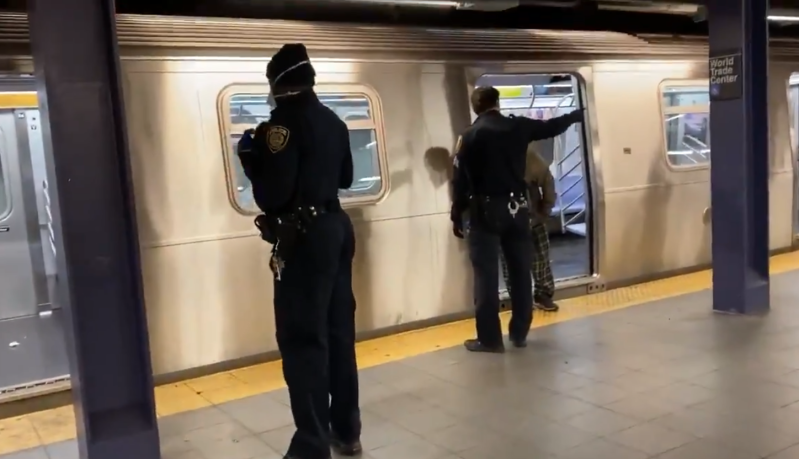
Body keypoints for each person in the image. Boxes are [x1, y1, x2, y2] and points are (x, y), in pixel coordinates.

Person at [237, 43, 361, 459]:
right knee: (339, 333)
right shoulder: (334, 122)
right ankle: (347, 431)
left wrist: (251, 161)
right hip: (337, 229)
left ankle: (310, 444)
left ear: (277, 82)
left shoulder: (280, 127)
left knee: (303, 339)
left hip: (303, 238)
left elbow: (275, 194)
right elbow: (345, 177)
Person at [451, 86, 583, 353]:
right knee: (521, 272)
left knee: (486, 278)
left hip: (484, 212)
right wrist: (574, 116)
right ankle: (519, 333)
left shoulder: (470, 136)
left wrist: (457, 215)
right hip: (518, 209)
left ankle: (489, 340)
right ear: (497, 103)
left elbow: (460, 181)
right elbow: (551, 127)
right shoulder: (519, 127)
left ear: (476, 107)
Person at [499, 144, 559, 312]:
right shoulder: (527, 154)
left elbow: (547, 179)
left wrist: (544, 210)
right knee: (534, 258)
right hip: (517, 218)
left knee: (520, 260)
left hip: (526, 217)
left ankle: (530, 297)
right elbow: (547, 179)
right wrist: (545, 209)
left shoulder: (527, 156)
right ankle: (536, 295)